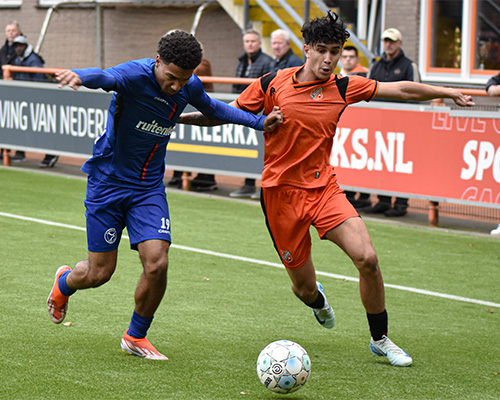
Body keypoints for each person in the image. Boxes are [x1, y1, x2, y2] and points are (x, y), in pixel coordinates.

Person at [178, 12, 474, 367]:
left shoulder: (345, 86)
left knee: (368, 258)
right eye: (322, 50)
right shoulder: (272, 83)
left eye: (336, 51)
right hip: (280, 197)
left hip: (324, 190)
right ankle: (318, 301)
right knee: (304, 288)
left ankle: (380, 339)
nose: (330, 59)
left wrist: (447, 91)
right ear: (306, 49)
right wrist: (180, 118)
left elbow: (402, 89)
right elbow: (224, 113)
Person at [47, 30, 283, 360]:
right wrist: (79, 76)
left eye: (183, 80)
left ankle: (135, 336)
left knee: (157, 264)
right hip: (108, 183)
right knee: (99, 273)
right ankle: (64, 284)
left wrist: (258, 123)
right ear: (158, 62)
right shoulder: (133, 75)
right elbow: (104, 76)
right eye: (171, 78)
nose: (176, 87)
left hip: (148, 189)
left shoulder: (188, 84)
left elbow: (214, 108)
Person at [363, 28, 420, 217]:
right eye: (386, 40)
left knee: (401, 163)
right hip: (379, 124)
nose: (388, 44)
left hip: (403, 125)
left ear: (399, 43)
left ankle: (401, 204)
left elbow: (416, 94)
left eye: (392, 41)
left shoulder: (408, 66)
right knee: (382, 161)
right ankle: (383, 200)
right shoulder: (375, 66)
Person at [230, 29, 273, 199]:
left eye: (253, 41)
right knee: (245, 149)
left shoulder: (266, 62)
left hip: (258, 112)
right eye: (247, 41)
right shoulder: (241, 61)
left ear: (260, 43)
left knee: (259, 150)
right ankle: (247, 184)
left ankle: (259, 185)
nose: (249, 44)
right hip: (242, 110)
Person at [168, 55, 218, 191]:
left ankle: (206, 178)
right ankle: (180, 175)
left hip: (200, 107)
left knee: (205, 144)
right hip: (189, 108)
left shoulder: (200, 67)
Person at [10, 35, 59, 167]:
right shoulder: (17, 60)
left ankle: (50, 154)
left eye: (20, 46)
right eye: (16, 46)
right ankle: (20, 153)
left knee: (41, 128)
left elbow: (39, 81)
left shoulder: (33, 60)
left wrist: (34, 98)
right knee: (20, 126)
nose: (18, 48)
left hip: (37, 101)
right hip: (24, 100)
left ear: (25, 46)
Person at [339, 45, 371, 209]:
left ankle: (364, 196)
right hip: (343, 127)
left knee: (363, 160)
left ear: (357, 59)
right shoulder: (334, 76)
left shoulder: (365, 74)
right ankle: (349, 195)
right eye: (345, 56)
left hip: (363, 126)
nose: (348, 59)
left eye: (351, 56)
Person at [0, 21, 22, 162]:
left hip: (19, 91)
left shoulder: (22, 49)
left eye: (13, 30)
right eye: (8, 31)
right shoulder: (3, 50)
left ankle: (20, 152)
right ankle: (4, 151)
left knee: (20, 120)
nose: (10, 33)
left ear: (18, 32)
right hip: (4, 90)